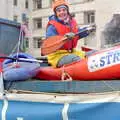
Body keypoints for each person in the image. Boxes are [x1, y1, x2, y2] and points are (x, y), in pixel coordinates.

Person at [45, 0, 96, 68]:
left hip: (71, 52)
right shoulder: (52, 26)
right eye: (59, 11)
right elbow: (50, 42)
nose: (62, 12)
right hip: (57, 56)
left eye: (64, 10)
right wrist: (64, 38)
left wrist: (87, 30)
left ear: (67, 11)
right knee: (77, 59)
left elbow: (77, 33)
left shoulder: (71, 22)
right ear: (56, 13)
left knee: (94, 53)